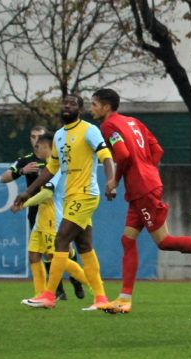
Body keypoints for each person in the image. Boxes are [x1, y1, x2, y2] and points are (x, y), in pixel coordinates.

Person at [89, 88, 191, 314]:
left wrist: (115, 180)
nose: (91, 109)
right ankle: (124, 299)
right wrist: (147, 172)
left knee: (165, 241)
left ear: (106, 107)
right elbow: (157, 150)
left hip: (143, 189)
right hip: (144, 187)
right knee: (128, 240)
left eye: (94, 104)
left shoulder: (108, 126)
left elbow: (123, 155)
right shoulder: (133, 122)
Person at [16, 94, 116, 310]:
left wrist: (111, 180)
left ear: (79, 109)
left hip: (86, 194)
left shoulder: (89, 130)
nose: (67, 106)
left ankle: (49, 296)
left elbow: (106, 155)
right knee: (84, 246)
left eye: (72, 104)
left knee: (61, 240)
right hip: (71, 197)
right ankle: (101, 299)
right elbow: (51, 169)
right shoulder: (59, 135)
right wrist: (28, 192)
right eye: (65, 103)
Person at [1, 126, 82, 300]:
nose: (36, 140)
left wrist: (22, 203)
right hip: (36, 214)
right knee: (40, 253)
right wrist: (22, 171)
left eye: (40, 137)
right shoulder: (26, 161)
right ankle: (54, 292)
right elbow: (4, 177)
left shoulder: (58, 162)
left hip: (54, 212)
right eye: (33, 136)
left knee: (63, 250)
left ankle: (83, 280)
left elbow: (48, 192)